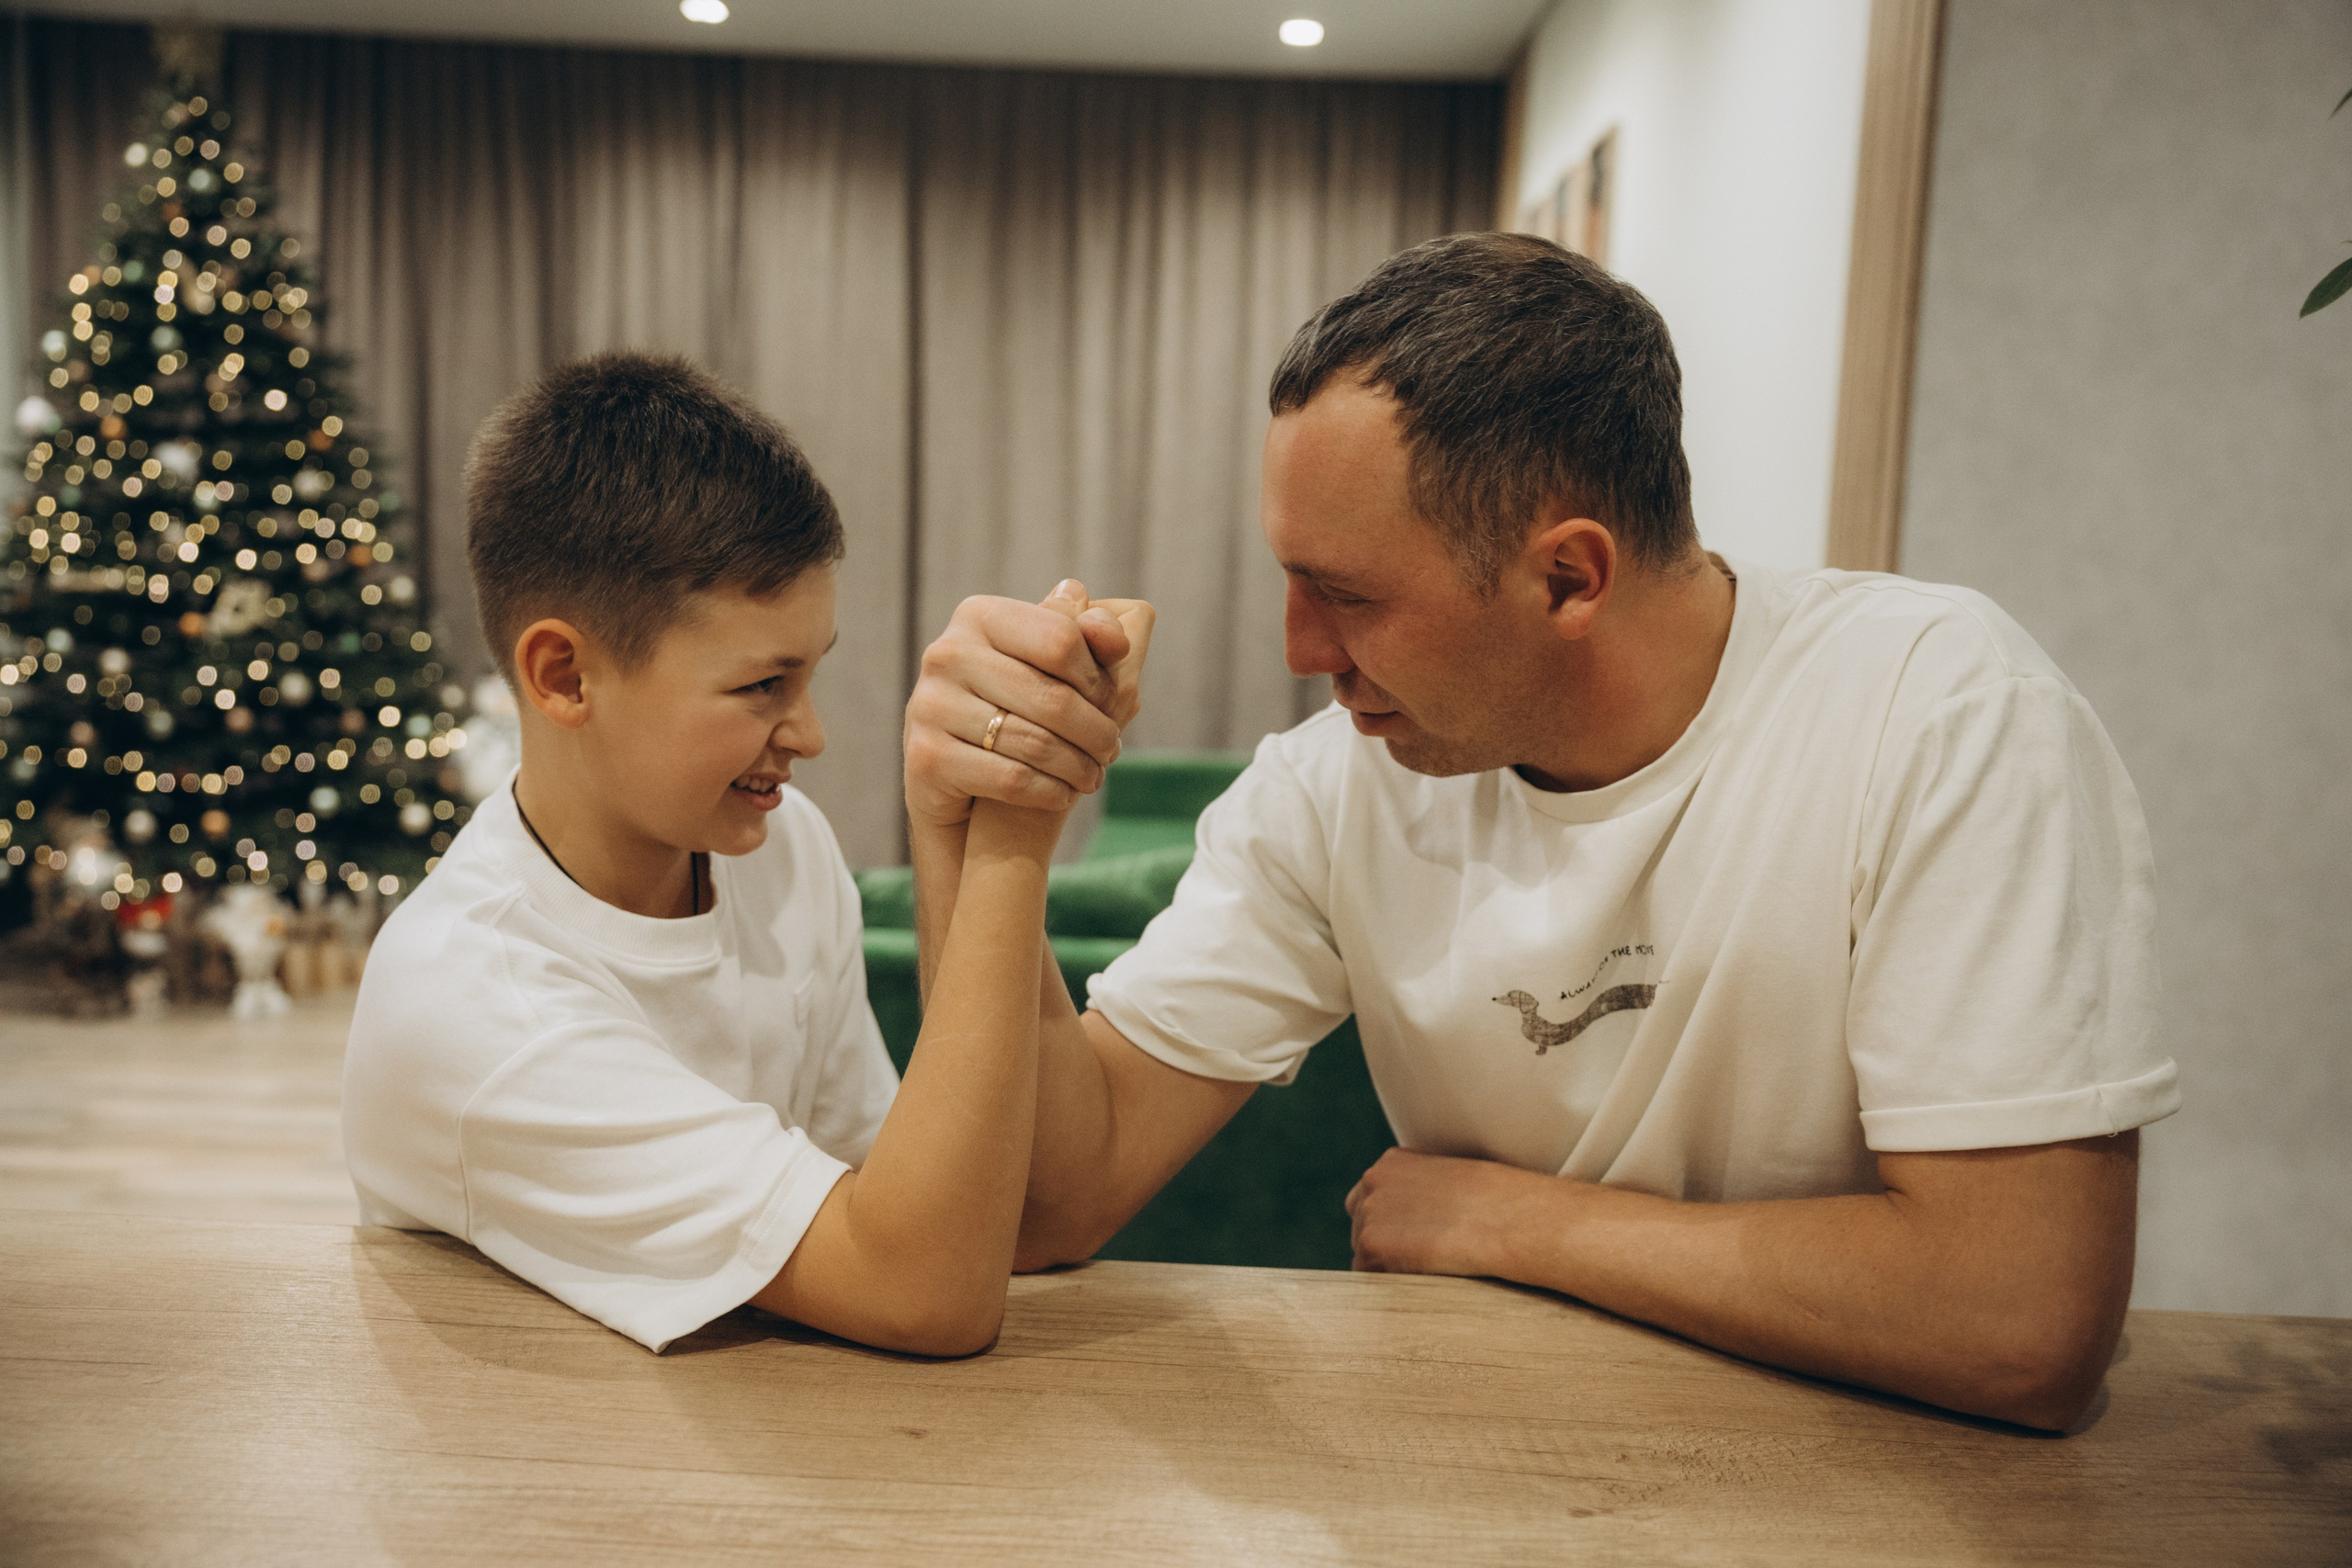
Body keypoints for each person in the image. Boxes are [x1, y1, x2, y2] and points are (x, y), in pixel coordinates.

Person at [903, 233, 2179, 1430]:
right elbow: (1048, 1200)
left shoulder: (1940, 711)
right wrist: (979, 819)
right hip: (1484, 1456)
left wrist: (1513, 1220)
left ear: (1571, 575)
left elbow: (2021, 1316)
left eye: (1347, 596)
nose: (1301, 654)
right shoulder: (1336, 785)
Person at [343, 353, 1150, 1356]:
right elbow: (927, 1292)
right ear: (564, 675)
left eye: (810, 676)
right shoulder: (474, 1006)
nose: (809, 733)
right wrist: (1014, 830)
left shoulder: (778, 850)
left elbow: (965, 1220)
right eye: (762, 686)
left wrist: (953, 822)